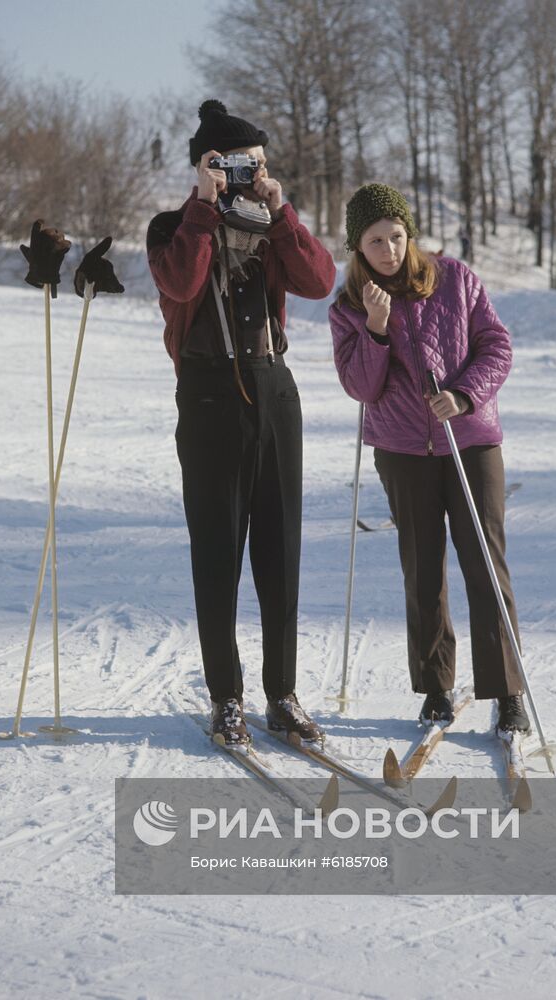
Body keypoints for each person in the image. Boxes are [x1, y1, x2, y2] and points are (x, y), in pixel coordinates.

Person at [147, 100, 335, 747]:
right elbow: (180, 281)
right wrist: (203, 203)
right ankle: (227, 697)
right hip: (205, 393)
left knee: (280, 550)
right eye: (224, 164)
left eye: (249, 164)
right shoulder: (172, 226)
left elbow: (318, 279)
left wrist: (279, 210)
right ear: (203, 164)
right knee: (217, 552)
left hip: (273, 387)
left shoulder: (271, 226)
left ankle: (281, 693)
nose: (237, 174)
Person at [329, 183, 530, 735]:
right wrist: (374, 329)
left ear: (409, 234)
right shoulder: (349, 309)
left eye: (396, 236)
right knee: (422, 570)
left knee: (485, 566)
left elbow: (497, 346)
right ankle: (436, 688)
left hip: (470, 441)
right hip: (402, 449)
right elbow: (361, 388)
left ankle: (507, 692)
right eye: (375, 241)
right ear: (357, 248)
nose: (389, 250)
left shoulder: (455, 279)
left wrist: (464, 394)